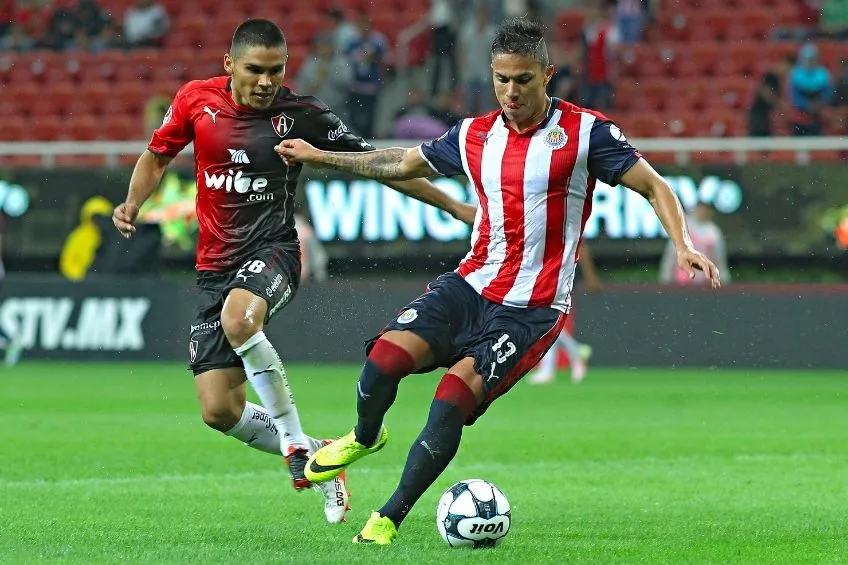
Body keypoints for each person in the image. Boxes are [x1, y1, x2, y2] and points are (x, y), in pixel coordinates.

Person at [277, 17, 721, 545]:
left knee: (449, 402)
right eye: (502, 80)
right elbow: (400, 162)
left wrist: (683, 242)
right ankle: (364, 437)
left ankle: (388, 517)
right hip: (470, 285)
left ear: (548, 75)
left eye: (524, 80)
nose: (511, 92)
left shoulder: (585, 133)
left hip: (530, 310)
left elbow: (654, 185)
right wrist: (320, 155)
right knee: (382, 363)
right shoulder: (473, 135)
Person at [111, 19, 476, 525]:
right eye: (255, 70)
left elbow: (379, 164)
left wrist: (455, 208)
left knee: (241, 321)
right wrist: (132, 203)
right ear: (230, 66)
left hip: (275, 252)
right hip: (213, 269)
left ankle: (294, 449)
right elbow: (157, 156)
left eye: (276, 71)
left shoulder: (301, 114)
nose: (266, 82)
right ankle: (319, 450)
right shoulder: (197, 101)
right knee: (218, 410)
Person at [526, 242, 601, 385]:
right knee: (542, 319)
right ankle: (570, 354)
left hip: (555, 272)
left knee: (542, 318)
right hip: (549, 270)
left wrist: (590, 276)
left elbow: (582, 246)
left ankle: (550, 368)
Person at [659, 202, 730, 286]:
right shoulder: (683, 227)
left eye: (705, 209)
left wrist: (724, 280)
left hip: (705, 282)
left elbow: (719, 259)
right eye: (701, 208)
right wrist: (665, 278)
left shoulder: (714, 232)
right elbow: (671, 255)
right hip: (681, 281)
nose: (703, 211)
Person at [748, 56, 793, 137]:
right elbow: (766, 94)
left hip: (765, 115)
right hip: (758, 115)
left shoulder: (779, 80)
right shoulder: (771, 76)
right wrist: (779, 103)